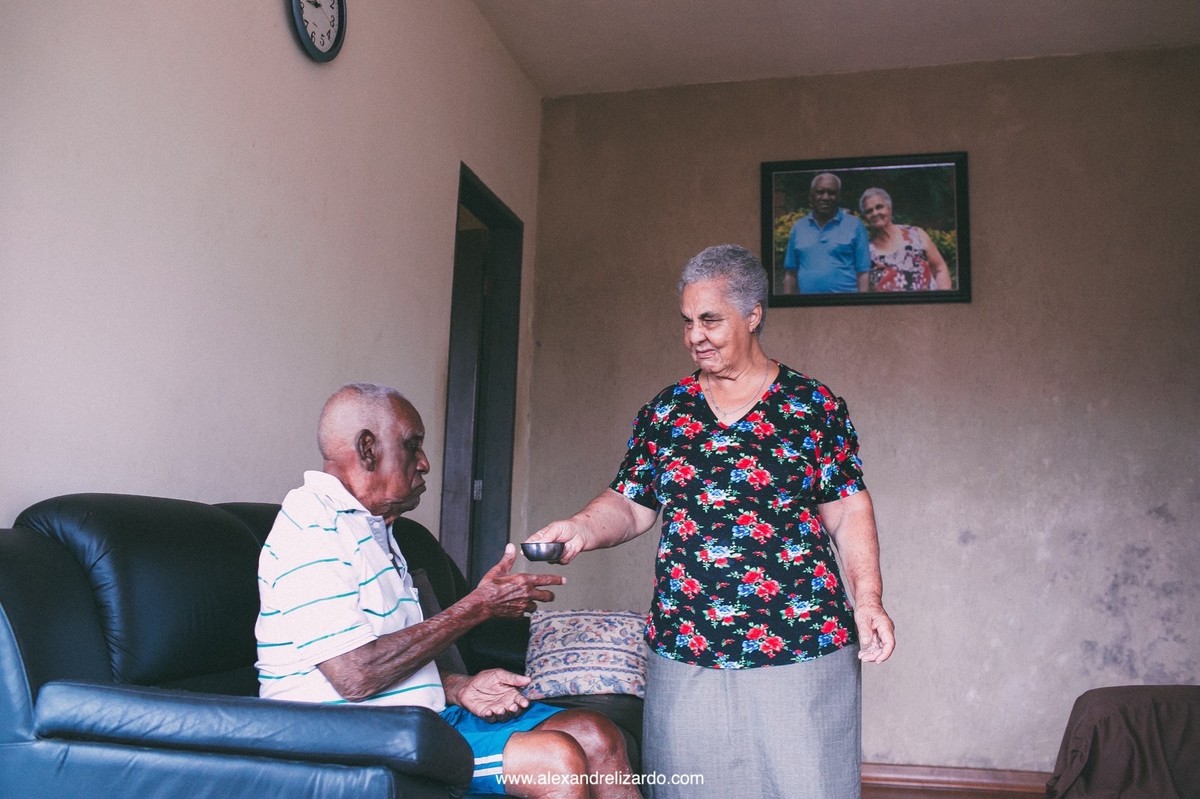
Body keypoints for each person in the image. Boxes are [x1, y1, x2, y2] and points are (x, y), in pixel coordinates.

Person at [526, 245, 895, 799]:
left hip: (801, 640)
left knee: (807, 785)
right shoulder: (666, 412)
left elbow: (847, 507)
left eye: (710, 319)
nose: (695, 334)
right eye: (687, 321)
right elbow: (630, 502)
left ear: (753, 315)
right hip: (686, 643)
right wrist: (580, 526)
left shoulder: (811, 406)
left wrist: (868, 599)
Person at [257, 383, 640, 798]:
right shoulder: (314, 530)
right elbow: (356, 675)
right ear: (367, 448)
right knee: (556, 760)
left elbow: (390, 657)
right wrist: (479, 606)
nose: (423, 463)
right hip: (349, 738)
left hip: (416, 721)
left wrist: (459, 686)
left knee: (596, 733)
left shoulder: (374, 526)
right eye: (412, 445)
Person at [781, 172, 871, 293]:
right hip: (806, 308)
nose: (825, 197)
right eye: (820, 192)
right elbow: (790, 274)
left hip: (847, 306)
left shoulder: (855, 225)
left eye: (831, 193)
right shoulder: (799, 227)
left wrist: (862, 309)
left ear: (839, 197)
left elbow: (863, 273)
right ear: (811, 196)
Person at [859, 187, 953, 291]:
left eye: (879, 207)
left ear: (889, 209)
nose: (875, 213)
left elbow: (940, 269)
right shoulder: (865, 252)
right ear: (864, 218)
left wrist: (943, 303)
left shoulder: (916, 235)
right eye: (869, 211)